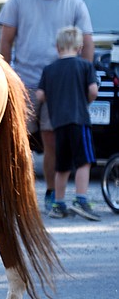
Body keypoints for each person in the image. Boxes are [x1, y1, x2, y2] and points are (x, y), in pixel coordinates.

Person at [0, 0, 93, 209]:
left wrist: (84, 77)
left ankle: (52, 193)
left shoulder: (74, 3)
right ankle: (17, 195)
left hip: (59, 84)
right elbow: (6, 41)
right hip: (25, 80)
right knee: (18, 141)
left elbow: (87, 42)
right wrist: (6, 77)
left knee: (52, 140)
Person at [38, 27, 100, 220]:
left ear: (58, 47)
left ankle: (58, 203)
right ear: (80, 47)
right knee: (84, 162)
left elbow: (40, 95)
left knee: (62, 165)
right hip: (79, 120)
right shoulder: (84, 66)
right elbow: (93, 91)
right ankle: (81, 200)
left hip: (58, 123)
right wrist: (87, 101)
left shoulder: (49, 69)